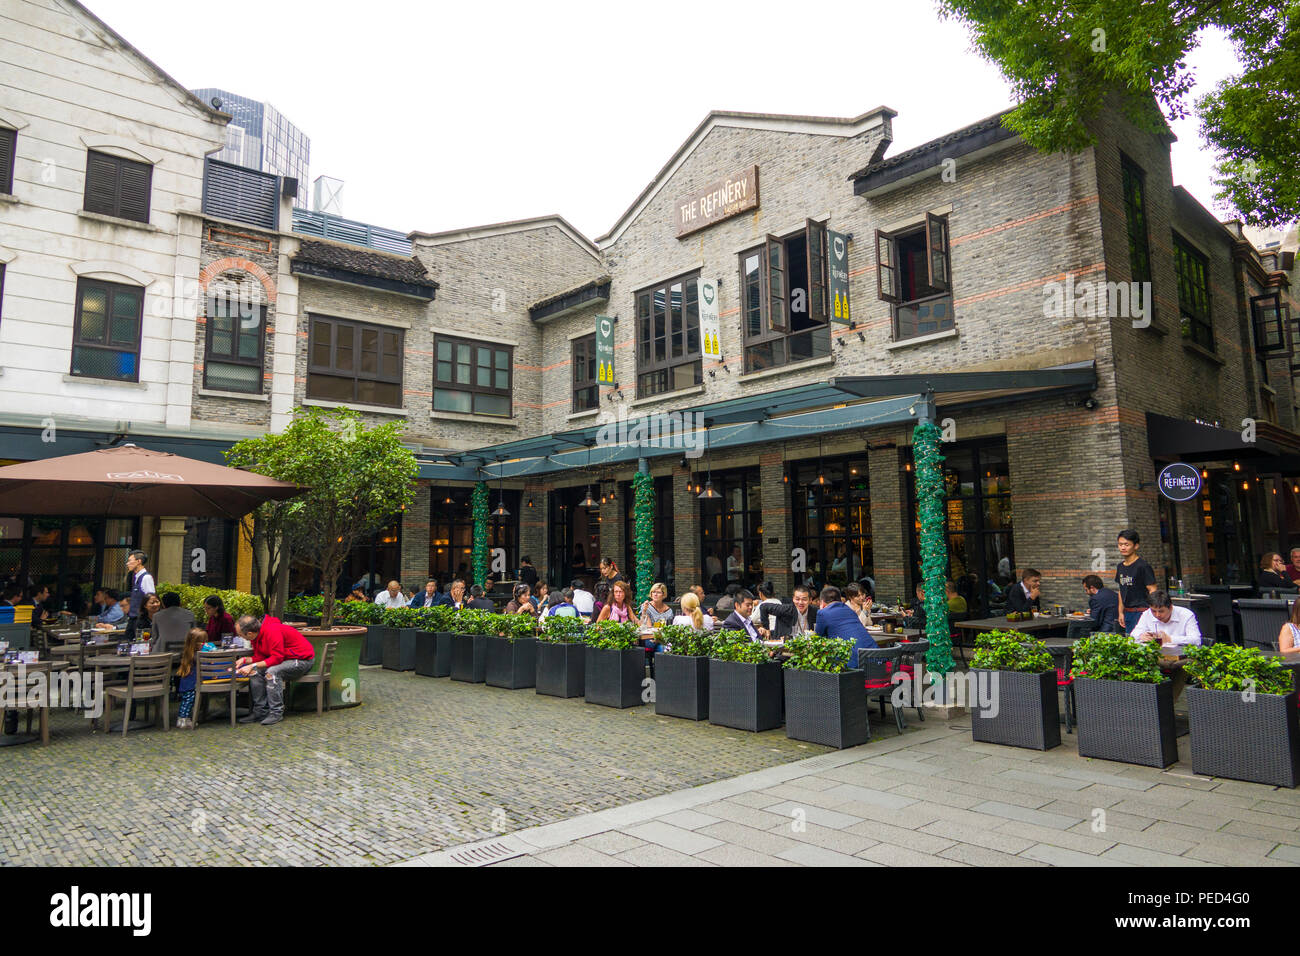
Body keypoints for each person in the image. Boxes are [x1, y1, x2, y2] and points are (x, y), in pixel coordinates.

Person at [234, 614, 316, 726]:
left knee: (272, 672)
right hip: (285, 659)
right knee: (255, 672)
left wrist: (252, 665)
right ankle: (260, 711)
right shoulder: (256, 636)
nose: (240, 637)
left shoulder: (272, 631)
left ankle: (276, 712)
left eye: (240, 635)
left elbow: (277, 657)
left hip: (301, 660)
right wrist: (244, 660)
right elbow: (262, 656)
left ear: (249, 634)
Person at [814, 585, 877, 667]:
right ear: (840, 599)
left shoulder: (823, 613)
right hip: (875, 656)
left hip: (853, 664)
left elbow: (818, 637)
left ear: (822, 602)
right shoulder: (849, 610)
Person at [1115, 529, 1156, 633]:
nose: (1123, 547)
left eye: (1126, 544)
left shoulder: (1142, 566)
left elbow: (1153, 590)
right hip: (1127, 612)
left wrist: (1153, 612)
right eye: (1120, 544)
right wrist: (1120, 612)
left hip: (1142, 612)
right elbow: (1121, 590)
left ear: (1136, 546)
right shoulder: (1120, 567)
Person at [1131, 591, 1201, 646]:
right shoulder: (1147, 614)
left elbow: (1196, 640)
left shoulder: (1186, 615)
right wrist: (1141, 636)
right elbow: (1133, 635)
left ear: (1170, 608)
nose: (1157, 615)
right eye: (1154, 611)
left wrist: (1170, 639)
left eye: (1161, 611)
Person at [174, 627, 212, 729]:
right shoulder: (196, 655)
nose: (205, 644)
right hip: (191, 683)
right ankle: (183, 719)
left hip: (189, 682)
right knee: (188, 701)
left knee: (187, 701)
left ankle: (183, 719)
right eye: (202, 643)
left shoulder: (189, 653)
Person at [123, 550, 155, 641]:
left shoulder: (146, 578)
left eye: (130, 560)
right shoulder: (136, 577)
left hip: (141, 620)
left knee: (141, 644)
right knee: (128, 642)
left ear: (138, 561)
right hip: (133, 619)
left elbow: (151, 599)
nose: (127, 563)